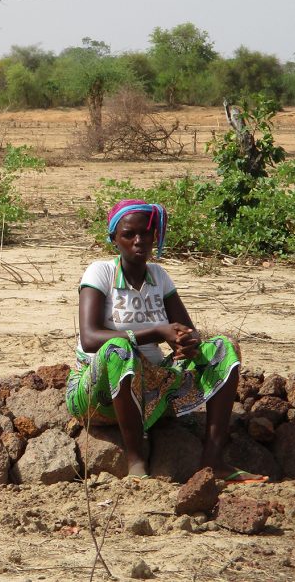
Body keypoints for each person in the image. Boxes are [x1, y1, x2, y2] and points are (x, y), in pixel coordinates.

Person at [66, 199, 266, 482]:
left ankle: (213, 461)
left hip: (151, 391)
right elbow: (89, 338)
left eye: (146, 234)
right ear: (114, 239)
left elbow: (187, 331)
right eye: (128, 234)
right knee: (119, 350)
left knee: (223, 347)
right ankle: (136, 464)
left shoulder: (159, 277)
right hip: (96, 396)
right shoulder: (101, 273)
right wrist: (158, 331)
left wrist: (186, 343)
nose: (139, 241)